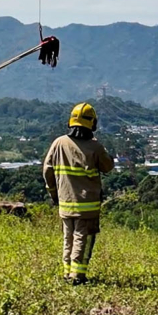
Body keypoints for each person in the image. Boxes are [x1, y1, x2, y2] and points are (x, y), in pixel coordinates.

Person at [43, 102, 114, 285]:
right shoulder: (95, 147)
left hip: (65, 202)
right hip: (87, 204)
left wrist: (53, 193)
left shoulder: (59, 143)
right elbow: (108, 167)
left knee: (68, 238)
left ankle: (67, 272)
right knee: (82, 238)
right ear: (92, 123)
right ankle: (77, 275)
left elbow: (47, 170)